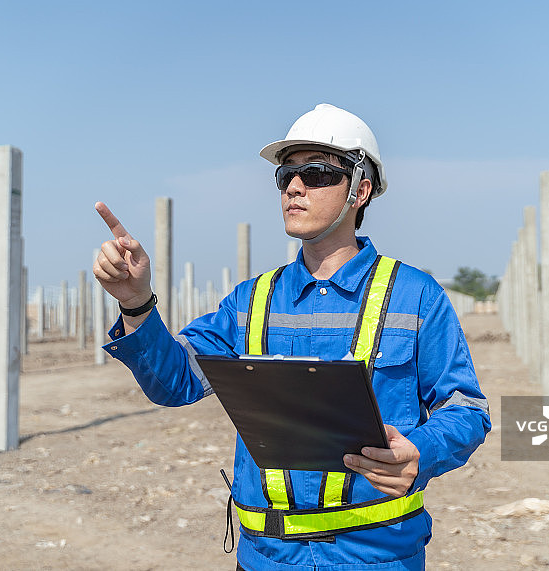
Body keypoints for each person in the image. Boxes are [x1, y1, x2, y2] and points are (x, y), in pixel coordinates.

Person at [93, 103, 491, 570]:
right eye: (287, 175)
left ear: (360, 191)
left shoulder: (415, 297)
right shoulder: (251, 301)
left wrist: (420, 452)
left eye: (318, 173)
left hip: (377, 558)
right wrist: (137, 303)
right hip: (267, 558)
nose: (295, 187)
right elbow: (174, 383)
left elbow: (466, 409)